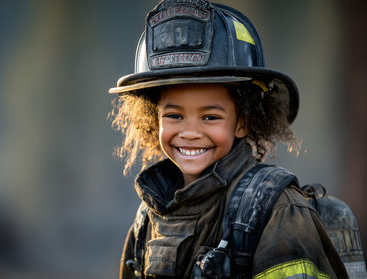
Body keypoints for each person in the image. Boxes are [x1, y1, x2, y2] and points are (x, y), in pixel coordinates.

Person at [108, 0, 349, 278]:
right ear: (153, 119)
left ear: (243, 122)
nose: (189, 132)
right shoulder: (149, 217)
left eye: (210, 117)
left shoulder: (278, 212)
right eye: (174, 115)